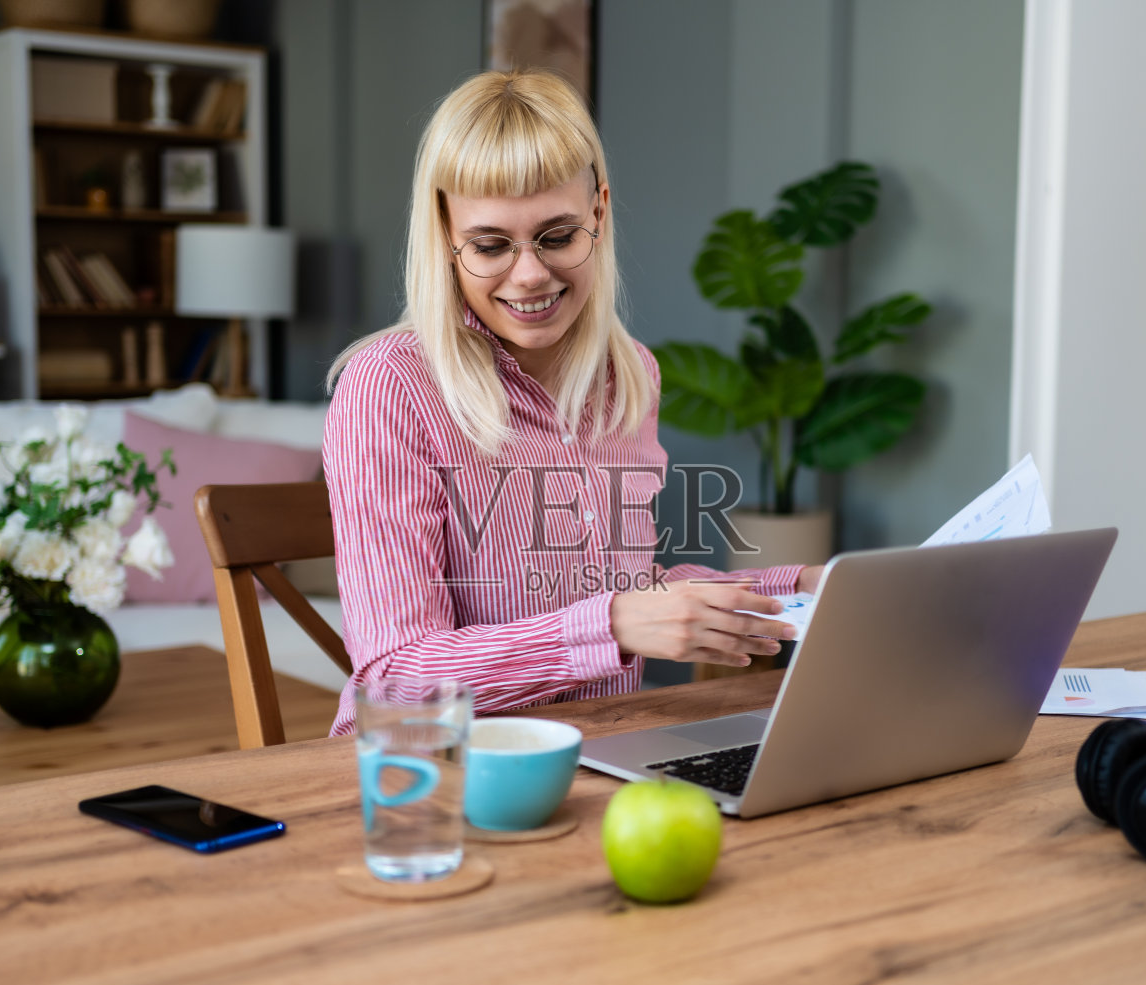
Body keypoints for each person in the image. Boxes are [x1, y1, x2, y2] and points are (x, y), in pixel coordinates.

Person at [322, 70, 821, 736]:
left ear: (599, 213)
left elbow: (622, 582)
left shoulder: (629, 376)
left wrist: (806, 588)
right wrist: (610, 623)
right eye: (491, 244)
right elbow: (395, 678)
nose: (529, 274)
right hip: (428, 787)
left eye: (558, 236)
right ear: (444, 232)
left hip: (600, 755)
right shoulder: (389, 386)